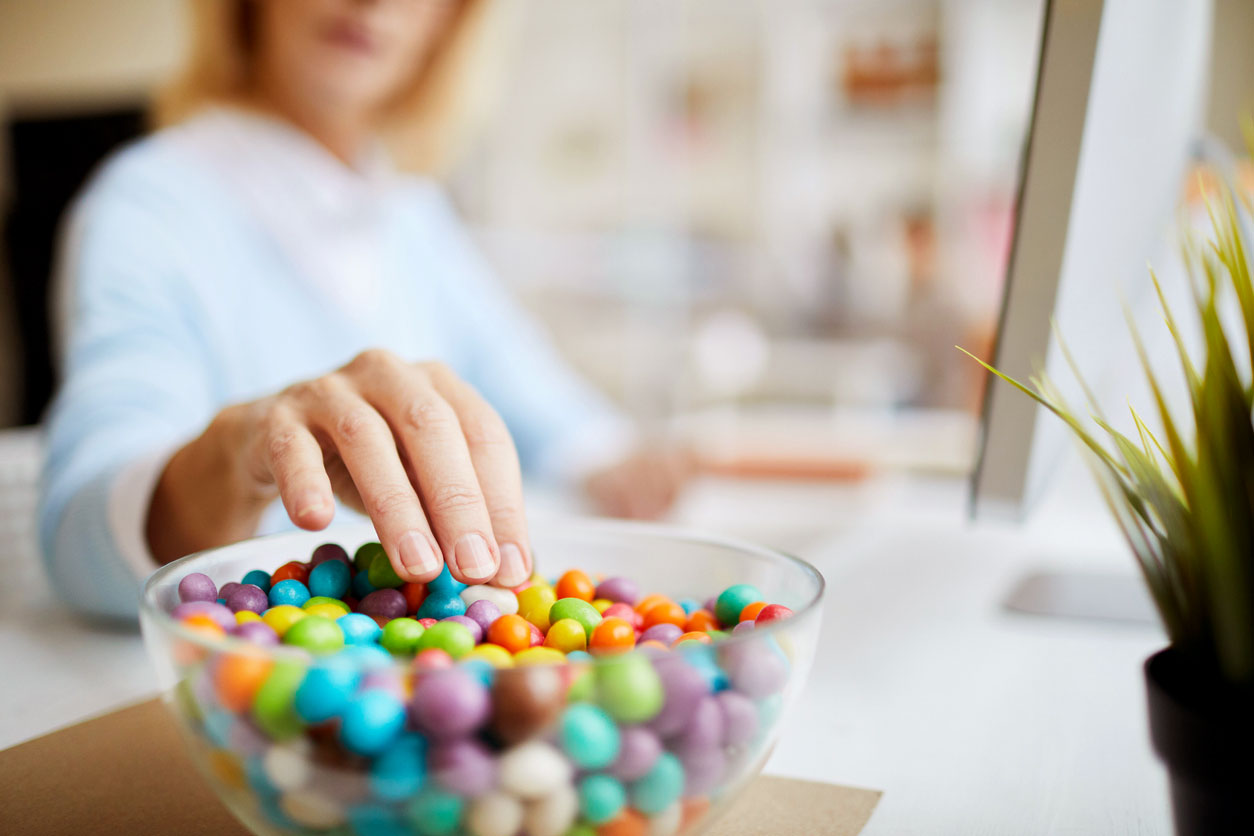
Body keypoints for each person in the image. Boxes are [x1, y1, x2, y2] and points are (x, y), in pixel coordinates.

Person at [39, 0, 688, 621]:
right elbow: (79, 532)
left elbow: (536, 391)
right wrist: (242, 449)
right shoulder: (146, 204)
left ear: (451, 21)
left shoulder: (412, 214)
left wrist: (616, 457)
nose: (375, 0)